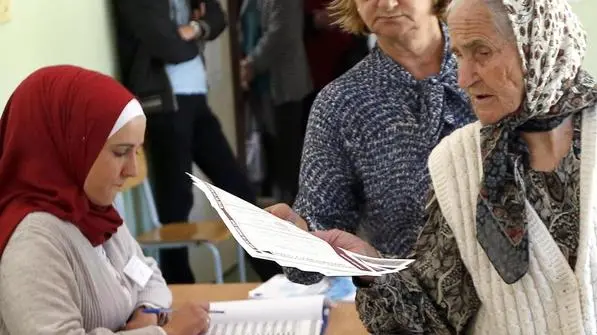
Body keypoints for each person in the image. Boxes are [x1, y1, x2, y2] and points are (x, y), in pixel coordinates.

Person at [271, 0, 597, 332]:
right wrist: (303, 242)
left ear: (535, 48)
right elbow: (430, 301)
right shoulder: (343, 106)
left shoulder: (501, 62)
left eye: (481, 53)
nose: (385, 3)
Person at [0, 65, 212, 334]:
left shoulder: (94, 212)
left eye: (137, 151)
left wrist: (148, 311)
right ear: (71, 145)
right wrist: (166, 333)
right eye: (121, 151)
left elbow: (147, 275)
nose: (132, 170)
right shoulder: (33, 241)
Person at [283, 0, 476, 285]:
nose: (385, 3)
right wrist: (293, 236)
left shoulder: (491, 69)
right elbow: (312, 249)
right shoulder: (340, 103)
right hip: (408, 309)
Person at [112, 0, 279, 283]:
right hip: (165, 104)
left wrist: (193, 29)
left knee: (237, 188)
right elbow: (165, 44)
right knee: (176, 203)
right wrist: (195, 38)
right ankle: (179, 288)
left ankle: (276, 274)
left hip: (196, 99)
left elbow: (218, 17)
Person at [239, 0, 313, 205]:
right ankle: (278, 202)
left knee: (286, 149)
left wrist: (249, 66)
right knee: (267, 148)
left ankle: (297, 206)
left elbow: (280, 35)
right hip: (258, 86)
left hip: (283, 85)